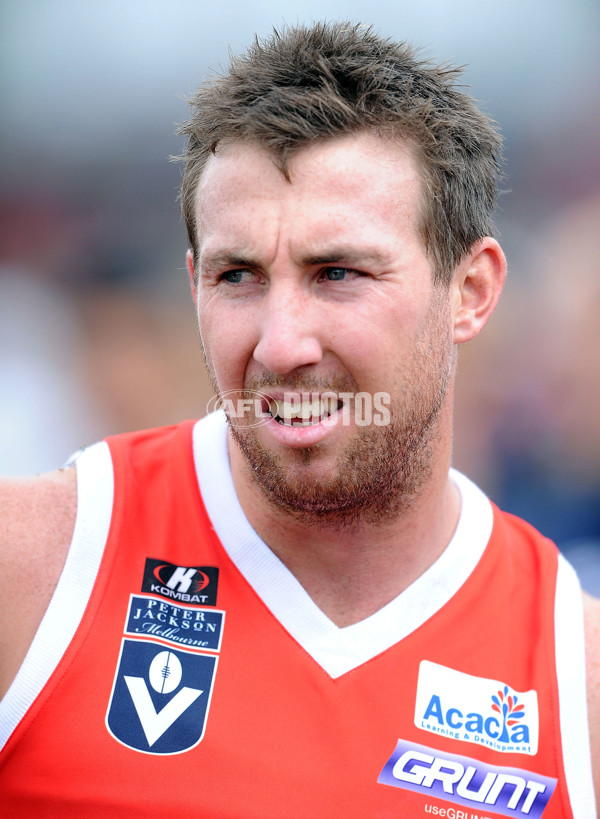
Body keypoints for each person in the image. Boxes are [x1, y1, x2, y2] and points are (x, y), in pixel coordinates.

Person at [0, 21, 598, 817]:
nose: (281, 344)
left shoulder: (574, 672)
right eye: (238, 275)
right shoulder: (36, 570)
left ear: (472, 291)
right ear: (192, 284)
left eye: (338, 273)